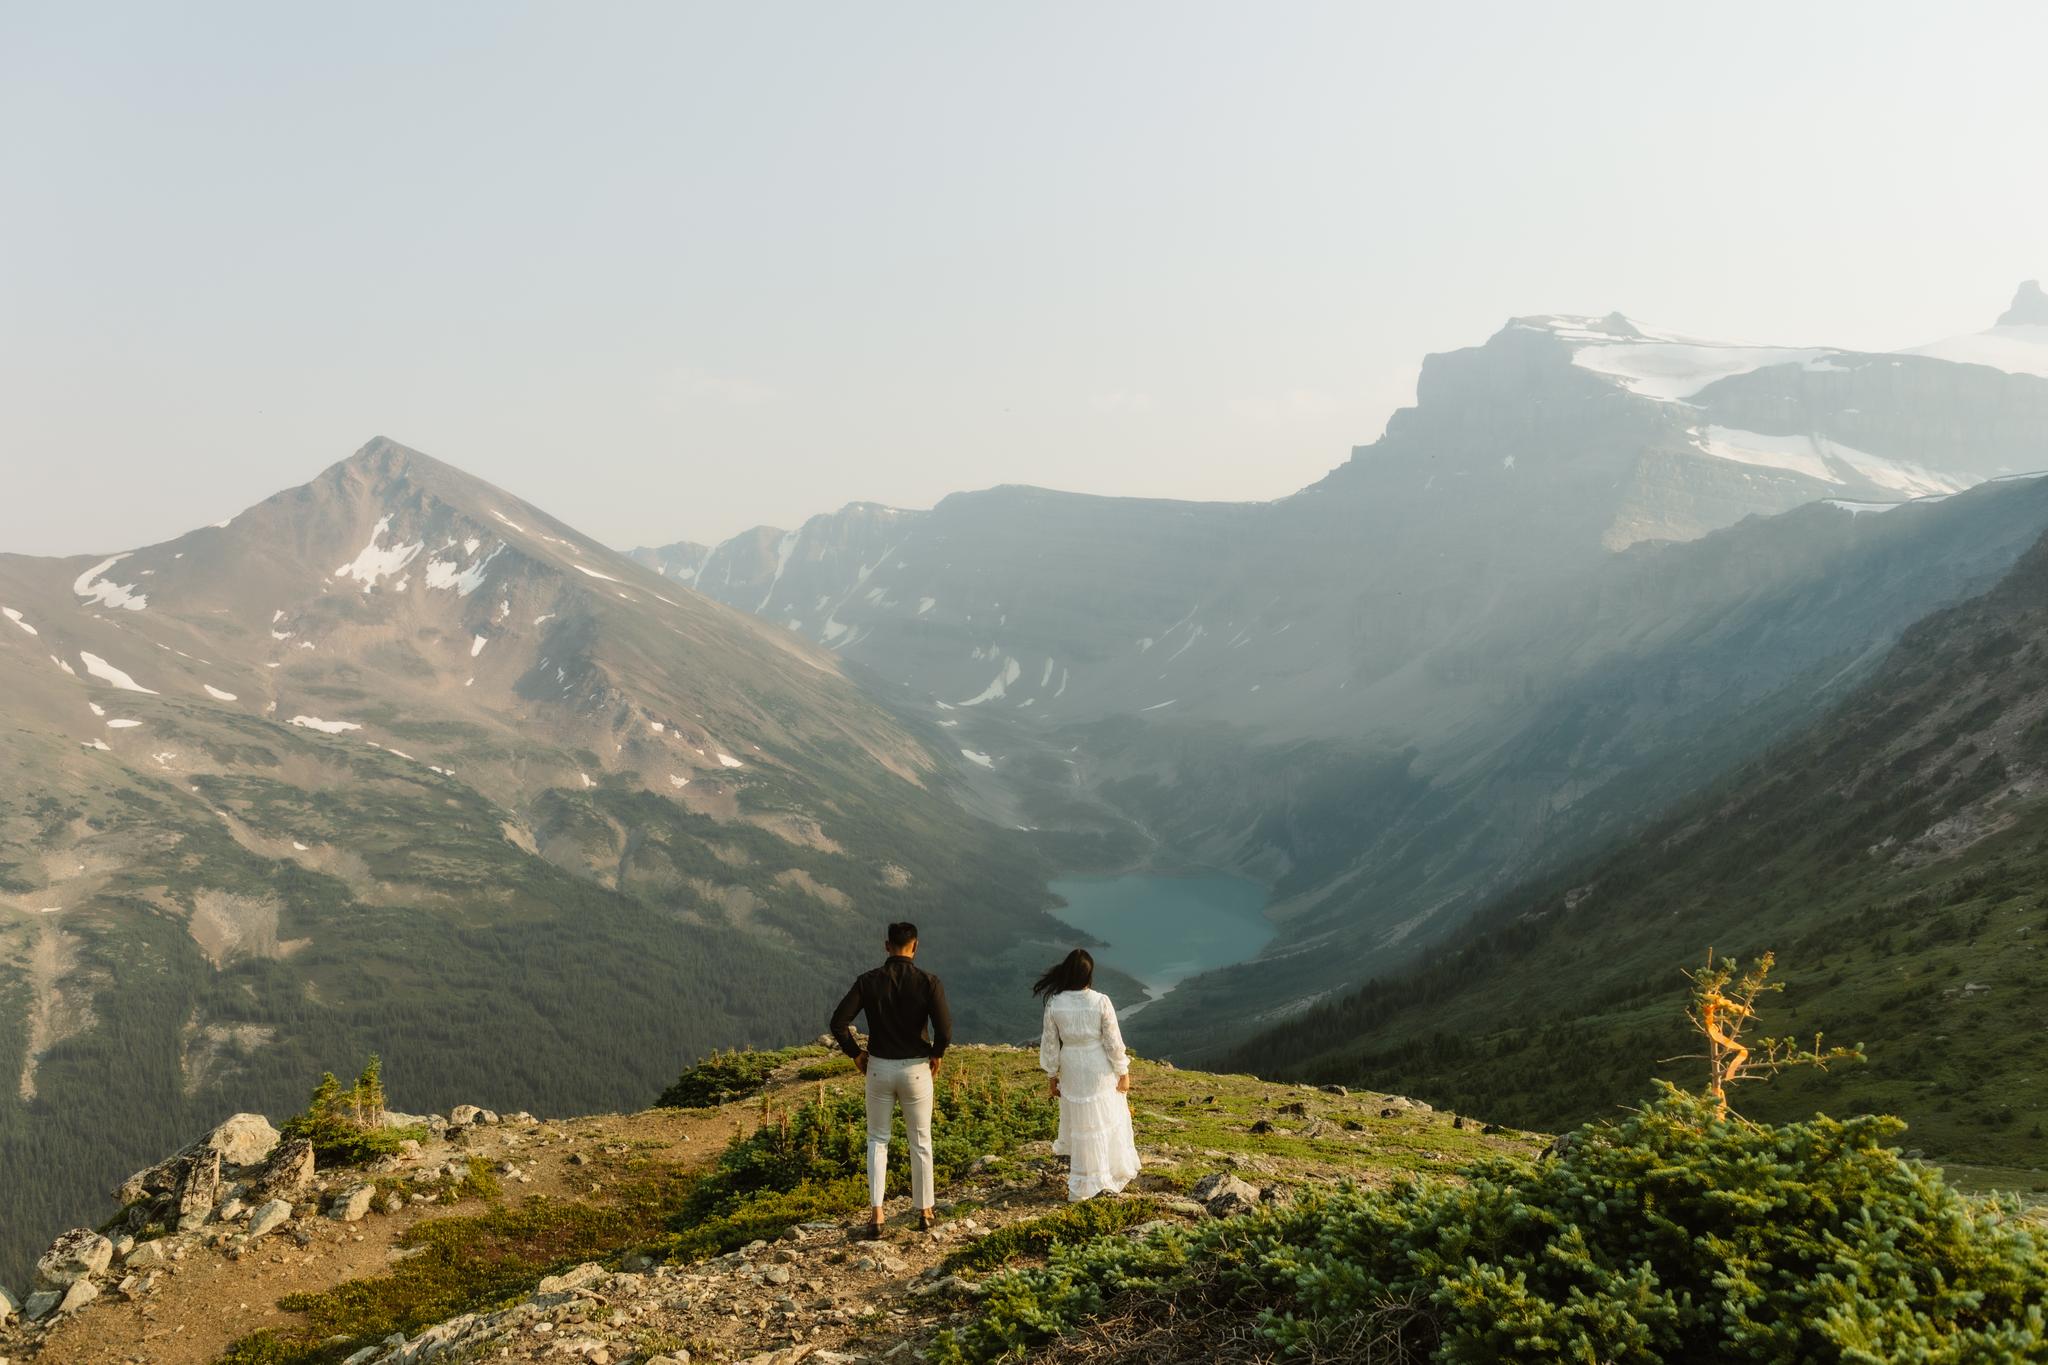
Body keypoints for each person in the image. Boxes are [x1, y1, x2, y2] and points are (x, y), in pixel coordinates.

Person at [830, 920, 952, 1237]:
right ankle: (925, 1212)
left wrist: (855, 1053)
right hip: (916, 1069)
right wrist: (936, 1053)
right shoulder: (929, 982)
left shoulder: (868, 981)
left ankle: (877, 1214)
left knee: (877, 1139)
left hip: (879, 1067)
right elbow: (945, 1029)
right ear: (915, 946)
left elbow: (838, 1022)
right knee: (921, 1141)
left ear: (887, 946)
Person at [1035, 948, 1141, 1200]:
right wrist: (1123, 1071)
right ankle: (1104, 1176)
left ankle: (1083, 1181)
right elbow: (1113, 1041)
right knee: (1103, 1120)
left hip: (1071, 1065)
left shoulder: (1054, 1003)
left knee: (1082, 1123)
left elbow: (1050, 1043)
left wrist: (1052, 1076)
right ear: (1088, 974)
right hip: (1097, 1066)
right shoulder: (1100, 1001)